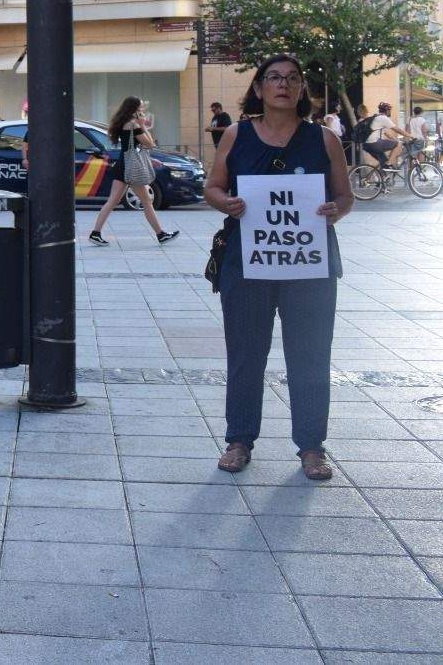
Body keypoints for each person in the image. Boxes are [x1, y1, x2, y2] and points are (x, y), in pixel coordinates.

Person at [205, 53, 352, 481]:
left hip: (309, 265)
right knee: (246, 355)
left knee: (310, 356)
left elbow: (346, 197)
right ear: (259, 88)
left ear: (302, 88)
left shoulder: (324, 139)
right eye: (274, 78)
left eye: (292, 78)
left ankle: (311, 447)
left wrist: (334, 210)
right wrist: (226, 203)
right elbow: (212, 187)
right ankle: (239, 440)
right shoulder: (236, 134)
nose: (283, 85)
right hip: (248, 265)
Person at [88, 96, 179, 246]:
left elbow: (135, 147)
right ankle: (161, 234)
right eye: (141, 107)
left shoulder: (125, 123)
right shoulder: (133, 125)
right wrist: (143, 126)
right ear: (134, 109)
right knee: (146, 201)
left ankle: (95, 233)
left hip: (123, 164)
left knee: (113, 201)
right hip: (131, 167)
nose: (143, 110)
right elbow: (150, 144)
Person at [361, 102, 405, 170]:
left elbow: (386, 133)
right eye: (389, 110)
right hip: (374, 144)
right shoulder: (383, 118)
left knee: (384, 164)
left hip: (367, 145)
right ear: (387, 110)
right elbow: (397, 129)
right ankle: (389, 163)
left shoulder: (376, 117)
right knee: (398, 144)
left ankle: (382, 178)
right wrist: (410, 135)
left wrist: (394, 138)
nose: (390, 112)